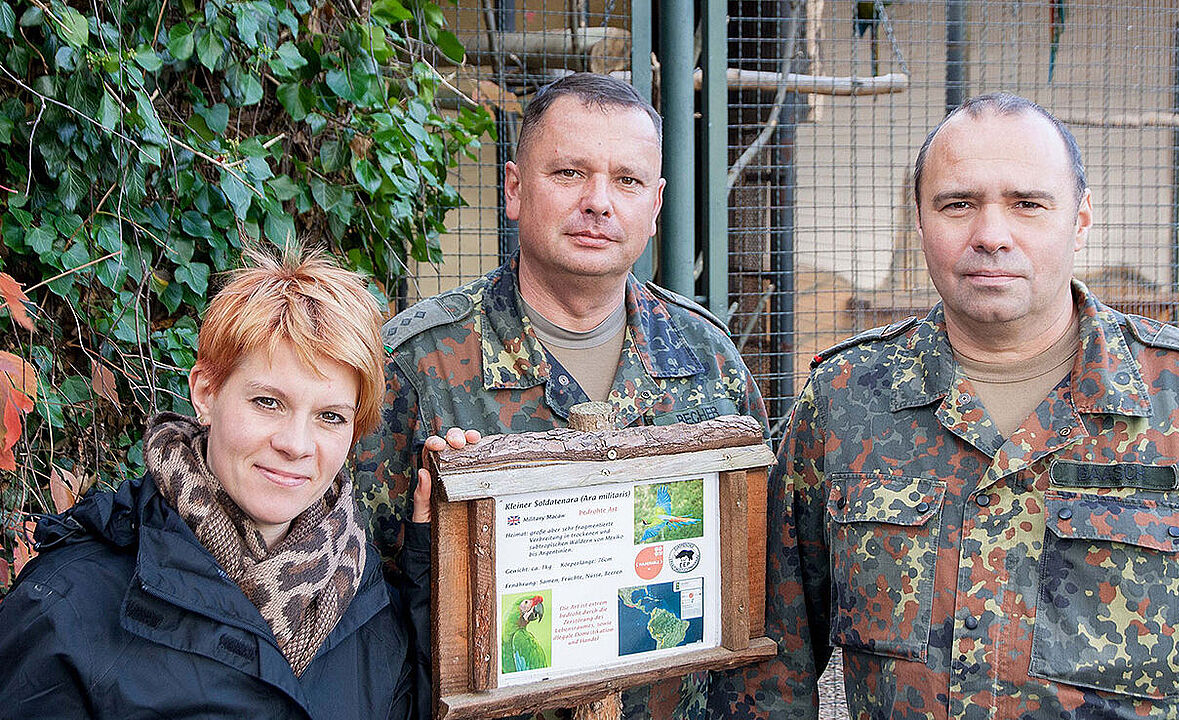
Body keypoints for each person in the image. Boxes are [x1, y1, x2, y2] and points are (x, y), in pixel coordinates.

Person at [710, 93, 1179, 719]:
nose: (991, 236)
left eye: (1027, 205)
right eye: (958, 205)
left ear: (1081, 219)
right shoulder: (843, 402)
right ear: (920, 219)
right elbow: (771, 671)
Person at [354, 71, 769, 719]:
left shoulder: (710, 361)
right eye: (570, 173)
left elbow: (753, 593)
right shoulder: (415, 366)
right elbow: (359, 605)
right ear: (515, 190)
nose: (600, 201)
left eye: (626, 180)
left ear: (655, 206)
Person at [0, 248, 418, 718]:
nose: (297, 444)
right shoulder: (67, 604)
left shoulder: (370, 601)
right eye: (268, 402)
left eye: (330, 416)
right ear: (206, 393)